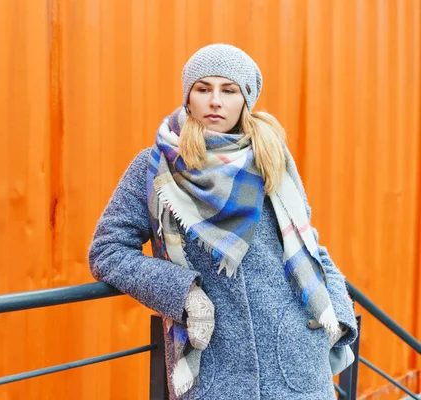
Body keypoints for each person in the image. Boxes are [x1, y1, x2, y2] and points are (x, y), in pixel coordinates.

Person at [88, 44, 357, 399]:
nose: (215, 101)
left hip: (298, 364)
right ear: (188, 97)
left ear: (245, 100)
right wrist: (183, 292)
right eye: (203, 89)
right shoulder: (155, 167)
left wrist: (338, 315)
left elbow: (309, 244)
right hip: (215, 366)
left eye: (228, 90)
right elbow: (107, 251)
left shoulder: (271, 157)